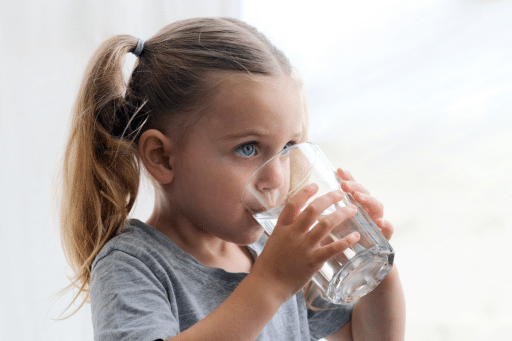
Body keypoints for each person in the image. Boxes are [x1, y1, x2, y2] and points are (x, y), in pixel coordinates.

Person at [60, 17, 405, 340]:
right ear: (162, 157)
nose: (275, 178)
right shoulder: (132, 265)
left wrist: (376, 269)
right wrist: (270, 284)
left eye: (287, 147)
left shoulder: (275, 249)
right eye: (248, 149)